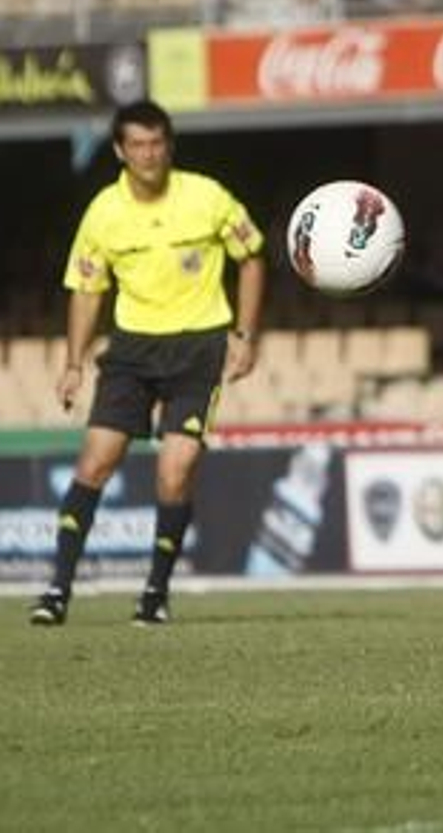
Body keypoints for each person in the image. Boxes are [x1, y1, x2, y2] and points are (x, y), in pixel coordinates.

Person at [29, 100, 266, 627]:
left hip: (199, 348)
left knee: (175, 472)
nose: (148, 154)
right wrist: (73, 362)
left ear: (169, 145)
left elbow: (251, 256)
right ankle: (57, 590)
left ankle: (155, 594)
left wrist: (245, 335)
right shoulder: (104, 213)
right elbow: (87, 292)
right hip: (131, 351)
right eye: (137, 144)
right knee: (94, 463)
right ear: (120, 150)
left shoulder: (206, 197)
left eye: (157, 143)